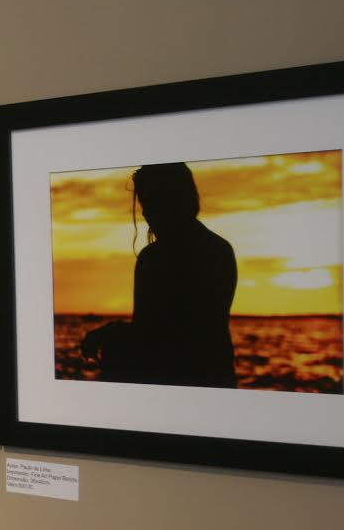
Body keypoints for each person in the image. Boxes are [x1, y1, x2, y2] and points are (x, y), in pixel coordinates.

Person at [81, 162, 238, 388]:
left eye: (150, 202)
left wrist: (109, 333)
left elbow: (150, 335)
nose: (145, 212)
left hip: (171, 378)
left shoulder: (154, 258)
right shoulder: (221, 249)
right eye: (144, 203)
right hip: (217, 376)